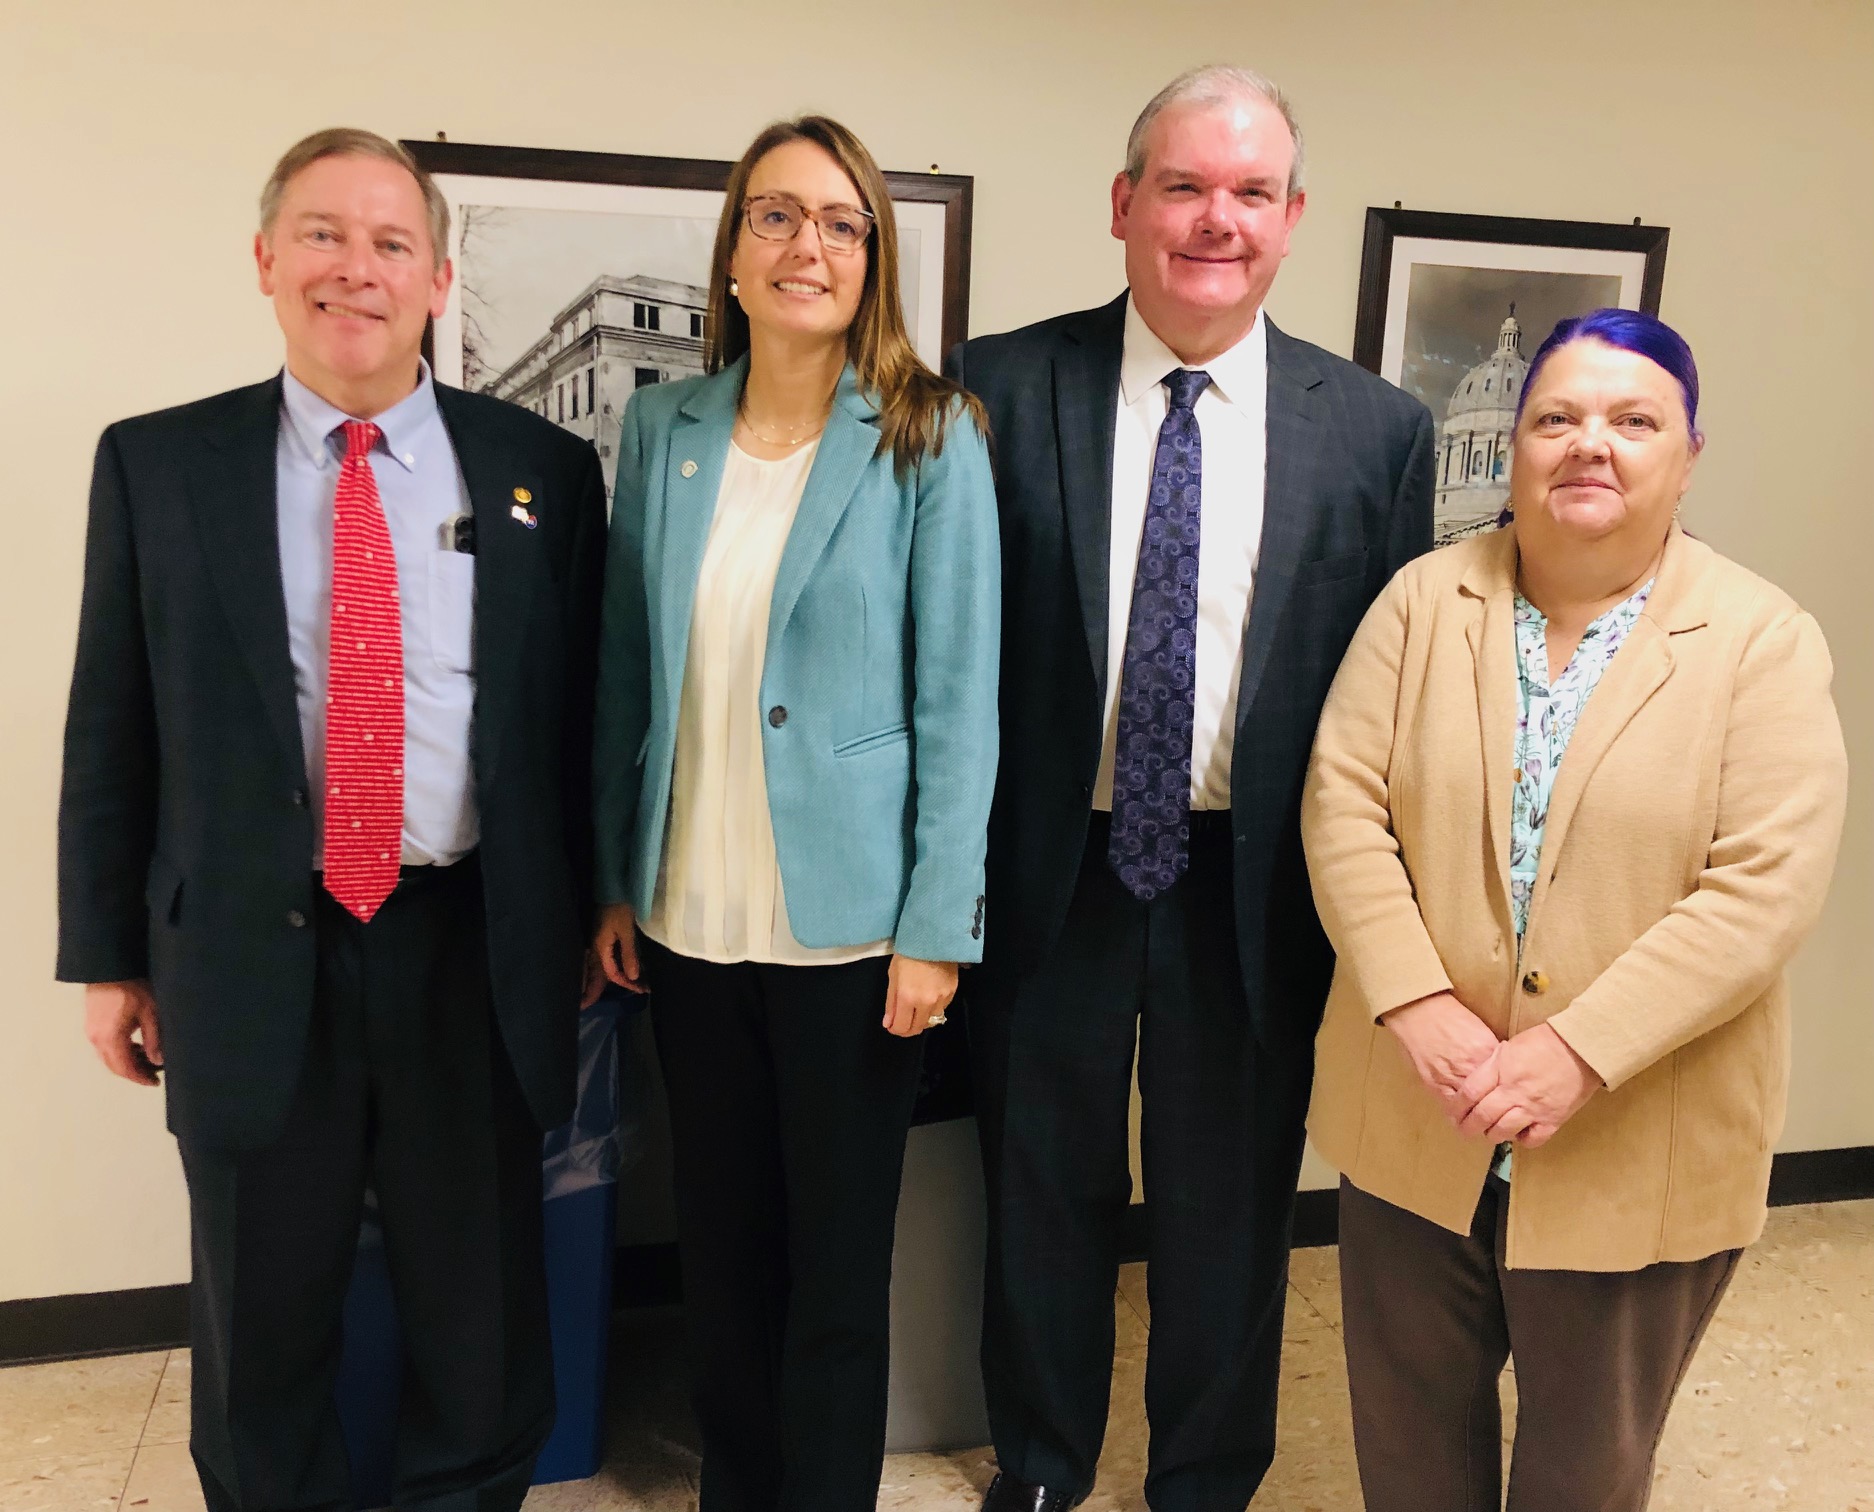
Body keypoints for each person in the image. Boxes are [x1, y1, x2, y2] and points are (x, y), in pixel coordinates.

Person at [56, 129, 606, 1512]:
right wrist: (107, 957)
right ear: (264, 259)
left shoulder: (542, 471)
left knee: (476, 1301)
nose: (353, 269)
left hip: (469, 942)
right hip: (248, 945)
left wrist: (597, 906)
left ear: (434, 275)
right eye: (321, 234)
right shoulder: (160, 466)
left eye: (388, 243)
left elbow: (582, 720)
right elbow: (110, 722)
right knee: (264, 1306)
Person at [948, 65, 1434, 1512]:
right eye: (1181, 186)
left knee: (1228, 1212)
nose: (1212, 220)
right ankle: (1038, 1467)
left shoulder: (1375, 431)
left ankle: (1205, 1478)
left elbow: (1389, 693)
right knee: (1041, 1198)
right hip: (1051, 870)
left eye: (1246, 193)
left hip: (1256, 884)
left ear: (1290, 219)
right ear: (1122, 204)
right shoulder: (993, 387)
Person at [1303, 308, 1849, 1512]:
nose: (1587, 444)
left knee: (1583, 1472)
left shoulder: (1760, 640)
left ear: (1687, 454)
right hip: (1417, 1110)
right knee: (1407, 1455)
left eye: (1630, 420)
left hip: (1631, 1136)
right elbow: (1342, 806)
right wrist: (1414, 1001)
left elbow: (1761, 888)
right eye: (1555, 417)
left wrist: (1572, 1054)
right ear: (1513, 445)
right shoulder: (1419, 600)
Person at [589, 115, 999, 1512]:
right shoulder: (664, 428)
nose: (803, 245)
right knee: (721, 1255)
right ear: (734, 251)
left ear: (871, 253)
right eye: (773, 216)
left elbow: (959, 701)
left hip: (853, 937)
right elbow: (626, 676)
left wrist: (938, 924)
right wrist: (612, 880)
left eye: (835, 220)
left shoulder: (928, 436)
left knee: (834, 1272)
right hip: (688, 925)